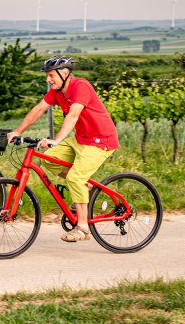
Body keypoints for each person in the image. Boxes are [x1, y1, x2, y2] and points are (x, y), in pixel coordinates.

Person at [7, 55, 119, 242]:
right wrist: (17, 131)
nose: (48, 79)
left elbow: (73, 115)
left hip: (101, 141)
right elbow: (39, 109)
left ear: (65, 73)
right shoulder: (57, 91)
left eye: (51, 75)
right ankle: (87, 187)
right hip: (81, 139)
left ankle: (83, 228)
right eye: (47, 76)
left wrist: (56, 139)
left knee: (75, 177)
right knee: (49, 160)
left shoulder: (80, 86)